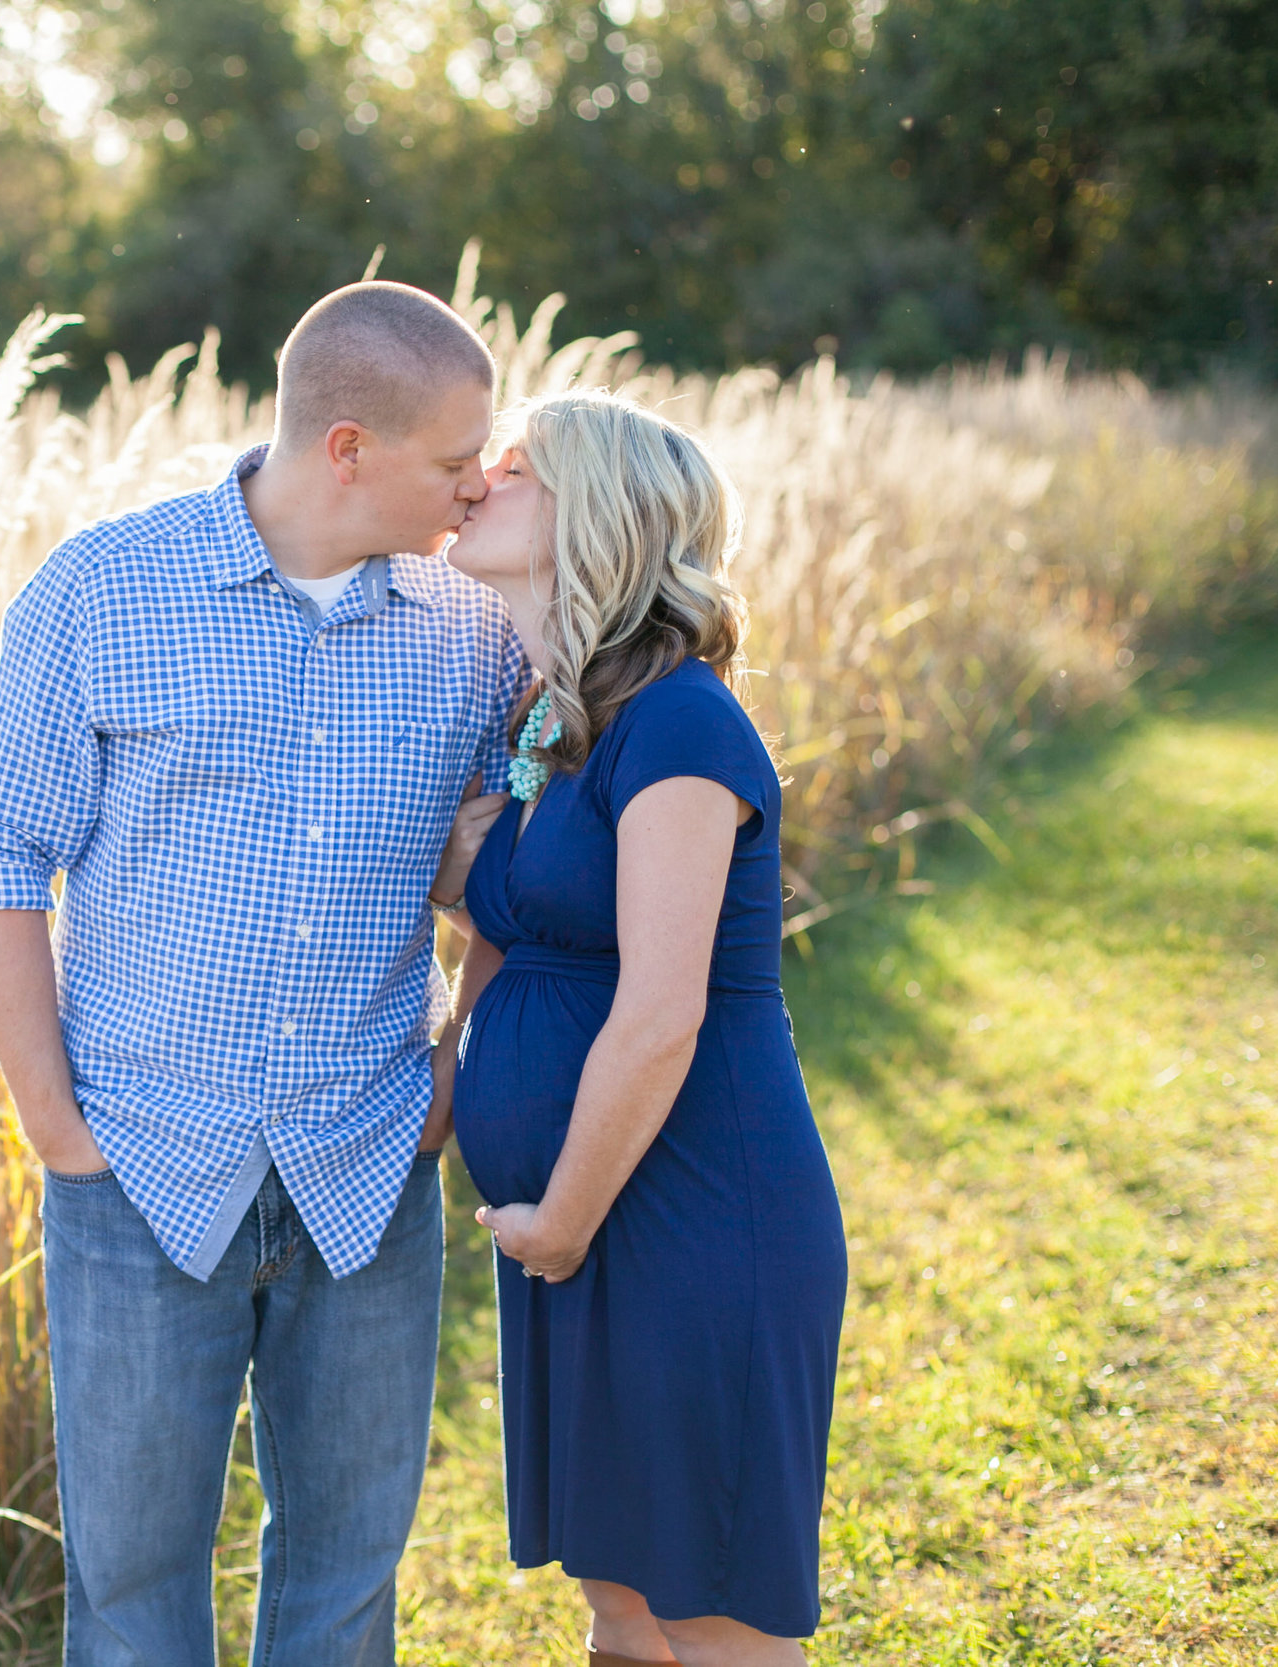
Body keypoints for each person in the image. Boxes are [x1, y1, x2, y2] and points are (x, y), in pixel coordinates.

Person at [0, 280, 522, 1667]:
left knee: (343, 1582)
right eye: (455, 461)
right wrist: (54, 1126)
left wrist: (455, 1055)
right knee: (135, 1602)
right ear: (347, 448)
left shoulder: (476, 627)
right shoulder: (101, 590)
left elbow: (514, 861)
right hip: (136, 1167)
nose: (479, 485)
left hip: (368, 1164)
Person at [436, 390, 848, 1667]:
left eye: (514, 462)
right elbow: (500, 937)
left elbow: (661, 1007)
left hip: (686, 1208)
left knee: (712, 1612)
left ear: (591, 509)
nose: (477, 475)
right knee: (622, 1594)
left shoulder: (680, 722)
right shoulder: (549, 725)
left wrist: (555, 1217)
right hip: (585, 1211)